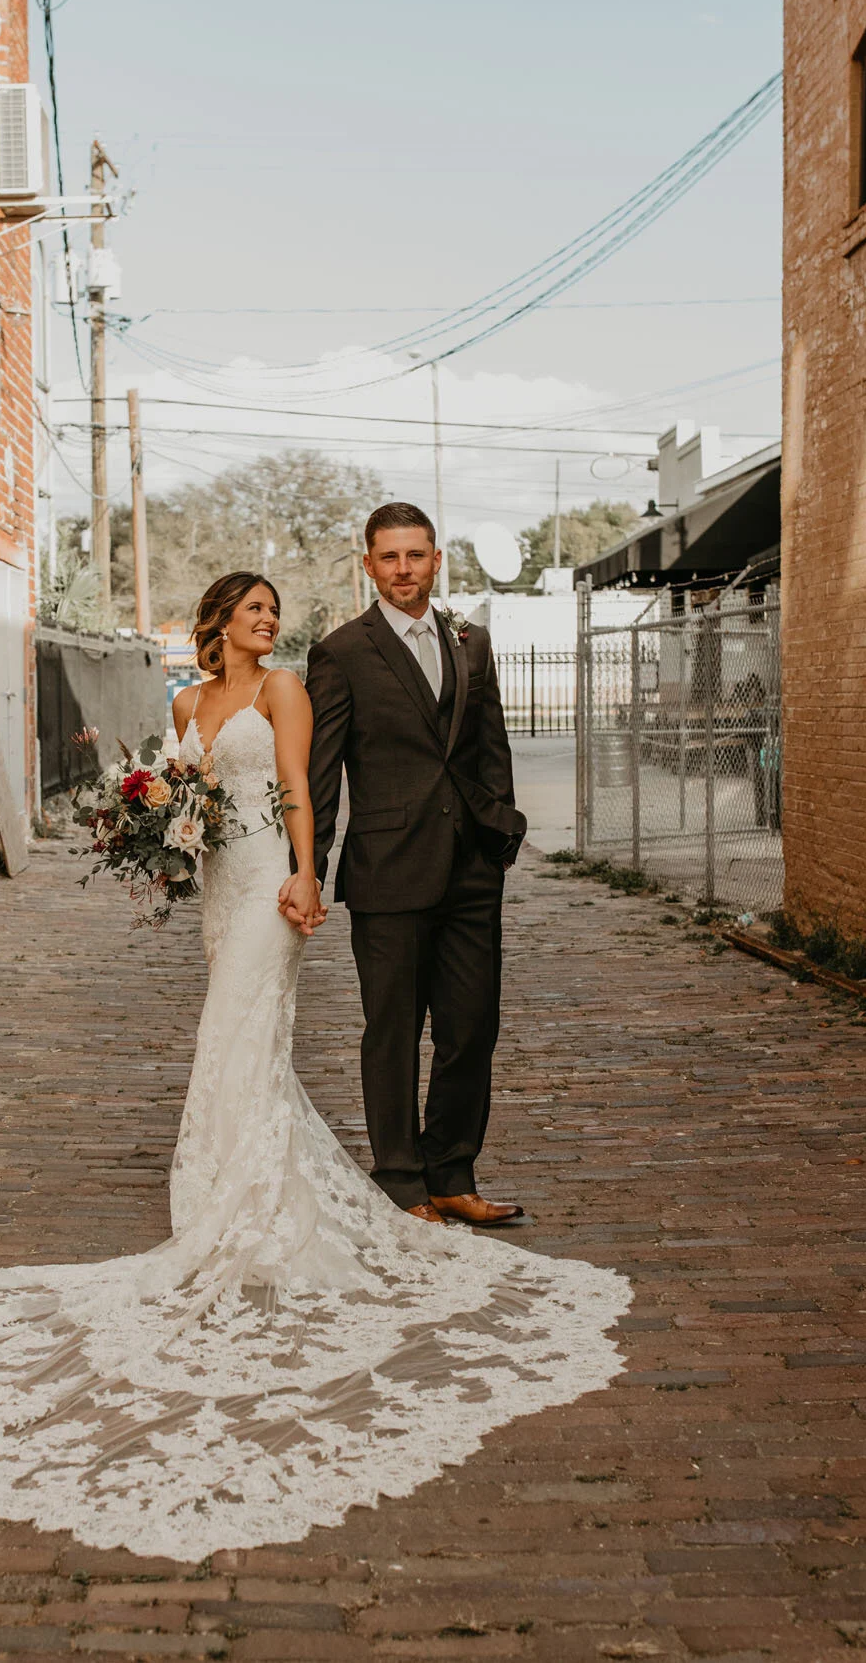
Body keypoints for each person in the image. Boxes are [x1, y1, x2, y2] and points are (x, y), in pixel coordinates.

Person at [0, 569, 627, 1563]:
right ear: (218, 620)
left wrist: (308, 875)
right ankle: (234, 1176)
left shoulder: (284, 692)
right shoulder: (186, 699)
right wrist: (157, 831)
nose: (270, 624)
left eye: (275, 613)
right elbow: (183, 786)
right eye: (255, 612)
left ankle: (251, 1197)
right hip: (221, 883)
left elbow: (299, 791)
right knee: (230, 1034)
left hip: (271, 878)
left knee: (240, 1030)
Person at [296, 503, 530, 1226]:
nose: (404, 569)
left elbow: (490, 747)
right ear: (368, 565)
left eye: (417, 555)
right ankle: (401, 1180)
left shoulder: (472, 642)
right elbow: (322, 771)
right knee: (393, 1030)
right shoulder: (342, 652)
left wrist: (501, 830)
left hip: (470, 870)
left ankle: (453, 1169)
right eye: (389, 557)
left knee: (471, 1026)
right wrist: (308, 867)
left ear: (436, 560)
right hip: (389, 871)